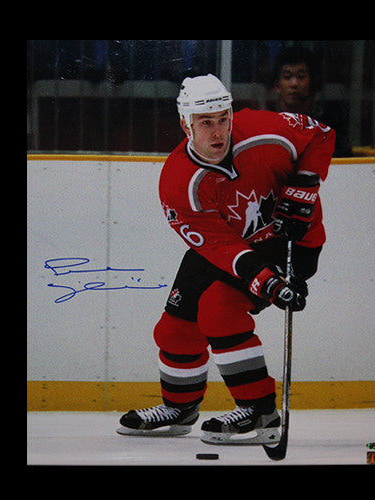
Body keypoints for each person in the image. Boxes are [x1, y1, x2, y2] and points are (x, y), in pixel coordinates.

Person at [117, 74, 335, 445]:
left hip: (290, 242)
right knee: (174, 328)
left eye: (223, 118)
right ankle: (179, 408)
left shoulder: (265, 127)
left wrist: (307, 182)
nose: (218, 131)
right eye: (205, 123)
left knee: (219, 311)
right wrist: (266, 283)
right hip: (232, 246)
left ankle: (259, 412)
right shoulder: (178, 183)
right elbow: (223, 250)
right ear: (185, 124)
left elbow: (321, 134)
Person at [272, 46, 352, 157]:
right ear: (277, 86)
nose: (294, 84)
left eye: (301, 77)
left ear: (312, 83)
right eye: (287, 77)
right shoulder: (265, 129)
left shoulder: (328, 131)